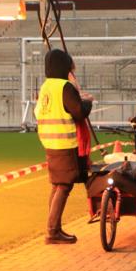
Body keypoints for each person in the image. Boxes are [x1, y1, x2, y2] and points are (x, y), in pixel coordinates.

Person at [36, 49, 93, 244]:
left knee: (57, 184)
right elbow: (78, 112)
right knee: (64, 185)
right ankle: (52, 231)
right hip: (64, 142)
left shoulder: (46, 87)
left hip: (50, 141)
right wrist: (87, 102)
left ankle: (54, 228)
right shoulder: (64, 87)